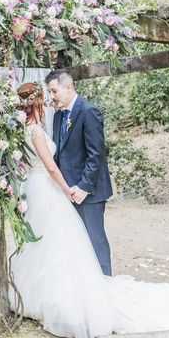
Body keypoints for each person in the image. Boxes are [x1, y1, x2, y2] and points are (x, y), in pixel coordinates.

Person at [9, 81, 169, 338]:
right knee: (59, 242)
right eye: (45, 97)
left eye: (54, 93)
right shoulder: (35, 130)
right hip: (49, 188)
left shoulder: (22, 130)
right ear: (35, 102)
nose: (50, 101)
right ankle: (81, 293)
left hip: (35, 192)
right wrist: (67, 188)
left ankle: (38, 293)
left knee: (45, 243)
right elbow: (50, 167)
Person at [46, 69, 112, 276]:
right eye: (50, 92)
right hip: (67, 192)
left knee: (95, 241)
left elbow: (96, 154)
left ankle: (106, 285)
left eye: (54, 91)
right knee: (76, 242)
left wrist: (83, 187)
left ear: (69, 86)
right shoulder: (58, 117)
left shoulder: (89, 111)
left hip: (88, 192)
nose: (52, 97)